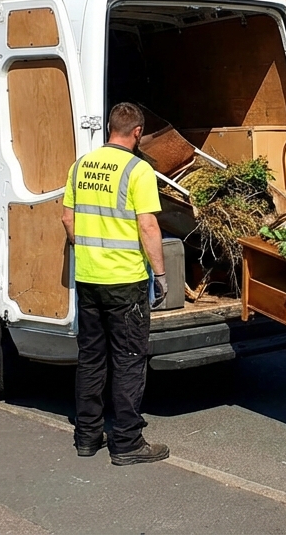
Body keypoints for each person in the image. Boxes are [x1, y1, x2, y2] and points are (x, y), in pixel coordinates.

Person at [61, 102, 170, 466]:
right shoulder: (138, 170)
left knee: (91, 358)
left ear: (110, 128)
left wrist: (90, 249)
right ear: (137, 132)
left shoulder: (80, 166)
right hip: (125, 281)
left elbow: (67, 218)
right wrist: (160, 274)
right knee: (128, 360)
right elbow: (148, 226)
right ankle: (126, 441)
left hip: (89, 278)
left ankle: (87, 436)